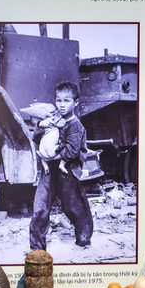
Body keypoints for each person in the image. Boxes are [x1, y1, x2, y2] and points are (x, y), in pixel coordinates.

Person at [29, 81, 94, 251]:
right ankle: (37, 248)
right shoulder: (52, 120)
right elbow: (37, 138)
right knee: (40, 207)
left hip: (68, 172)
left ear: (76, 102)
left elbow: (72, 152)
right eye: (59, 100)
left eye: (66, 101)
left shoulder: (76, 126)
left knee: (73, 207)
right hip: (49, 171)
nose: (62, 105)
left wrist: (49, 155)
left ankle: (83, 238)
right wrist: (39, 126)